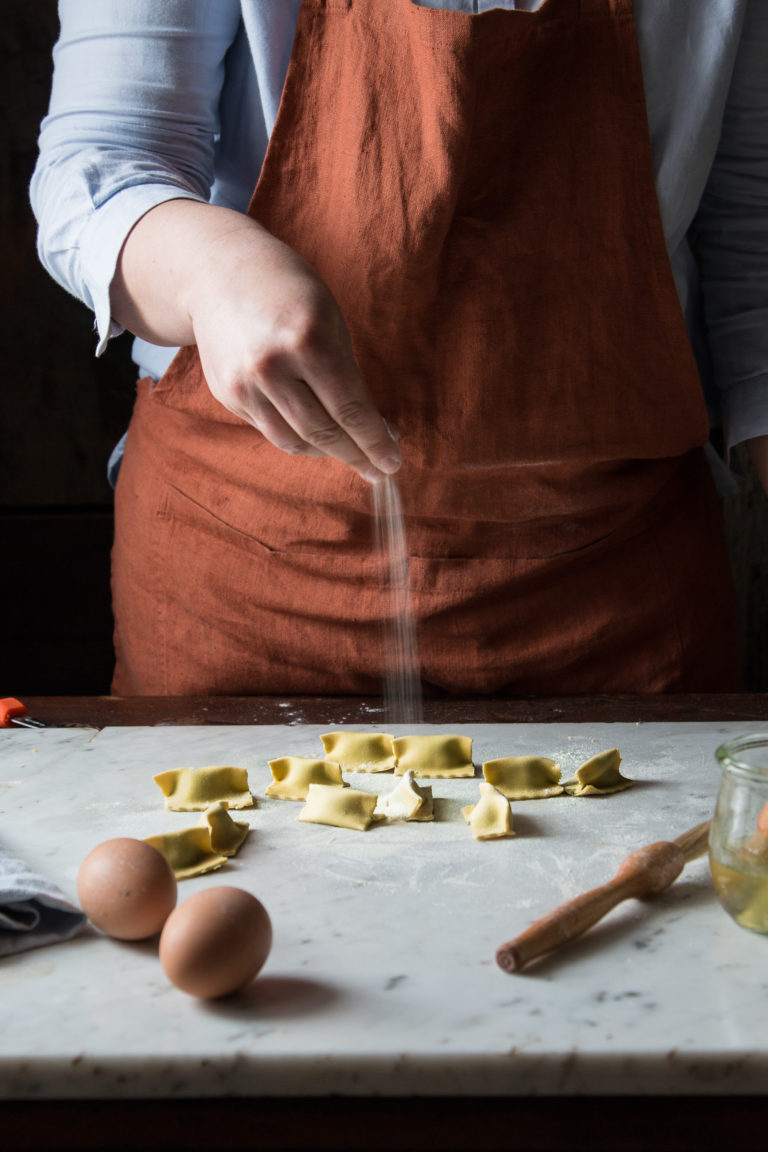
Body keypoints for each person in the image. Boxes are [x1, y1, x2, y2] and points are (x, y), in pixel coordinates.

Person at [31, 0, 768, 697]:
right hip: (245, 559)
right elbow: (98, 164)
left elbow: (751, 208)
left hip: (615, 578)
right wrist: (210, 270)